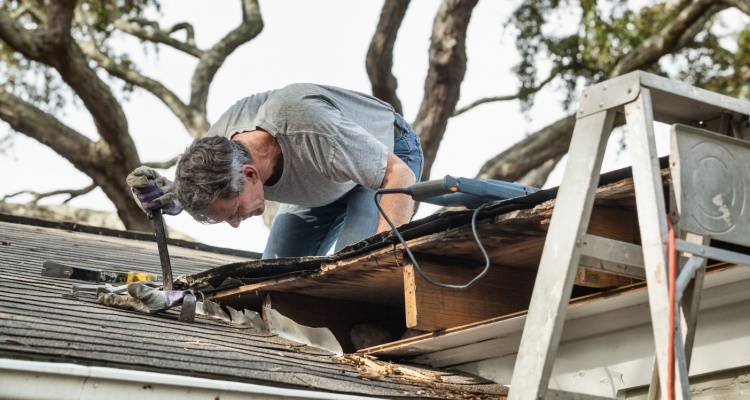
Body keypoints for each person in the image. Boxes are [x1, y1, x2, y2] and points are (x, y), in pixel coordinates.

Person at [127, 83, 423, 258]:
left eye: (234, 213)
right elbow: (200, 194)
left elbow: (397, 175)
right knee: (272, 276)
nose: (236, 224)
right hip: (325, 174)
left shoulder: (310, 128)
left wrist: (386, 259)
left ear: (250, 174)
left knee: (357, 263)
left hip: (387, 156)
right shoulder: (215, 153)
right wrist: (171, 197)